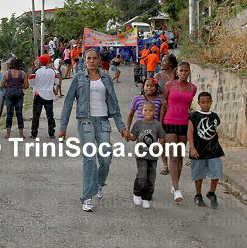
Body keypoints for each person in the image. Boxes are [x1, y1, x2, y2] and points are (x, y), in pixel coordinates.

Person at [59, 48, 130, 212]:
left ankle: (99, 182)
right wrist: (63, 127)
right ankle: (87, 197)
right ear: (85, 60)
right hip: (86, 122)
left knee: (106, 158)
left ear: (99, 60)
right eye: (88, 58)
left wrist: (121, 126)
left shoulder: (106, 78)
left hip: (103, 121)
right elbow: (68, 103)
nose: (91, 61)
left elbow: (113, 103)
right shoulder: (78, 78)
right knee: (89, 158)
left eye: (94, 58)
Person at [160, 61, 197, 202]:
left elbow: (188, 106)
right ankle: (176, 189)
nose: (183, 73)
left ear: (189, 72)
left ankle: (175, 185)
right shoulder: (170, 85)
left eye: (186, 71)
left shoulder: (193, 88)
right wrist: (160, 124)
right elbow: (164, 103)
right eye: (181, 70)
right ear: (177, 71)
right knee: (173, 156)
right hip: (169, 122)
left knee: (180, 156)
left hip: (184, 124)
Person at [187, 92, 223, 208]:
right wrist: (192, 148)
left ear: (211, 102)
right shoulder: (194, 116)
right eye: (203, 103)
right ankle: (198, 195)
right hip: (198, 149)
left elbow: (214, 131)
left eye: (208, 102)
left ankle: (212, 192)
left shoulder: (214, 116)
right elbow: (190, 132)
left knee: (217, 171)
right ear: (199, 103)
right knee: (198, 174)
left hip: (213, 149)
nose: (205, 105)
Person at [130, 101, 166, 209]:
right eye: (145, 110)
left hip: (153, 156)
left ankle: (146, 197)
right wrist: (128, 136)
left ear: (154, 112)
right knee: (142, 175)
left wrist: (158, 145)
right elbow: (133, 137)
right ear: (142, 111)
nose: (148, 112)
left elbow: (162, 138)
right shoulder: (138, 124)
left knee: (151, 177)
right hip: (141, 154)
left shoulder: (157, 125)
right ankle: (137, 193)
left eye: (150, 110)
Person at [29, 55, 58, 139]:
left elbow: (31, 81)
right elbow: (56, 81)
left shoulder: (36, 71)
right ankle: (51, 133)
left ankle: (34, 133)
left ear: (41, 62)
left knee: (36, 114)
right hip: (49, 94)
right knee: (50, 115)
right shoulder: (52, 71)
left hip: (38, 94)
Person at [1, 57, 29, 139]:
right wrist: (20, 86)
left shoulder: (6, 73)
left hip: (9, 93)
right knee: (19, 113)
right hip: (19, 93)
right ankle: (21, 134)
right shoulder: (22, 73)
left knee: (9, 113)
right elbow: (27, 85)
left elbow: (1, 85)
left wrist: (8, 87)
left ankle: (8, 134)